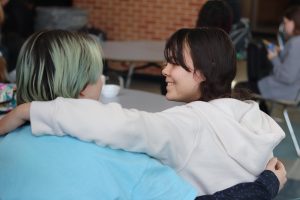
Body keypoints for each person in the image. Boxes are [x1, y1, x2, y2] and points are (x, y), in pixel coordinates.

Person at [0, 29, 287, 200]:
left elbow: (121, 126)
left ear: (202, 72)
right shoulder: (253, 118)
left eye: (174, 63)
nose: (164, 70)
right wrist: (266, 185)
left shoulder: (183, 126)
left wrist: (30, 110)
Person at [237, 6, 300, 102]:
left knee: (240, 89)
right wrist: (281, 52)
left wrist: (274, 58)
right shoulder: (296, 42)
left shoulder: (296, 43)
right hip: (287, 90)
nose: (284, 26)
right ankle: (261, 109)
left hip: (282, 90)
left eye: (286, 22)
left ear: (294, 22)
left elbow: (287, 77)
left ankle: (260, 111)